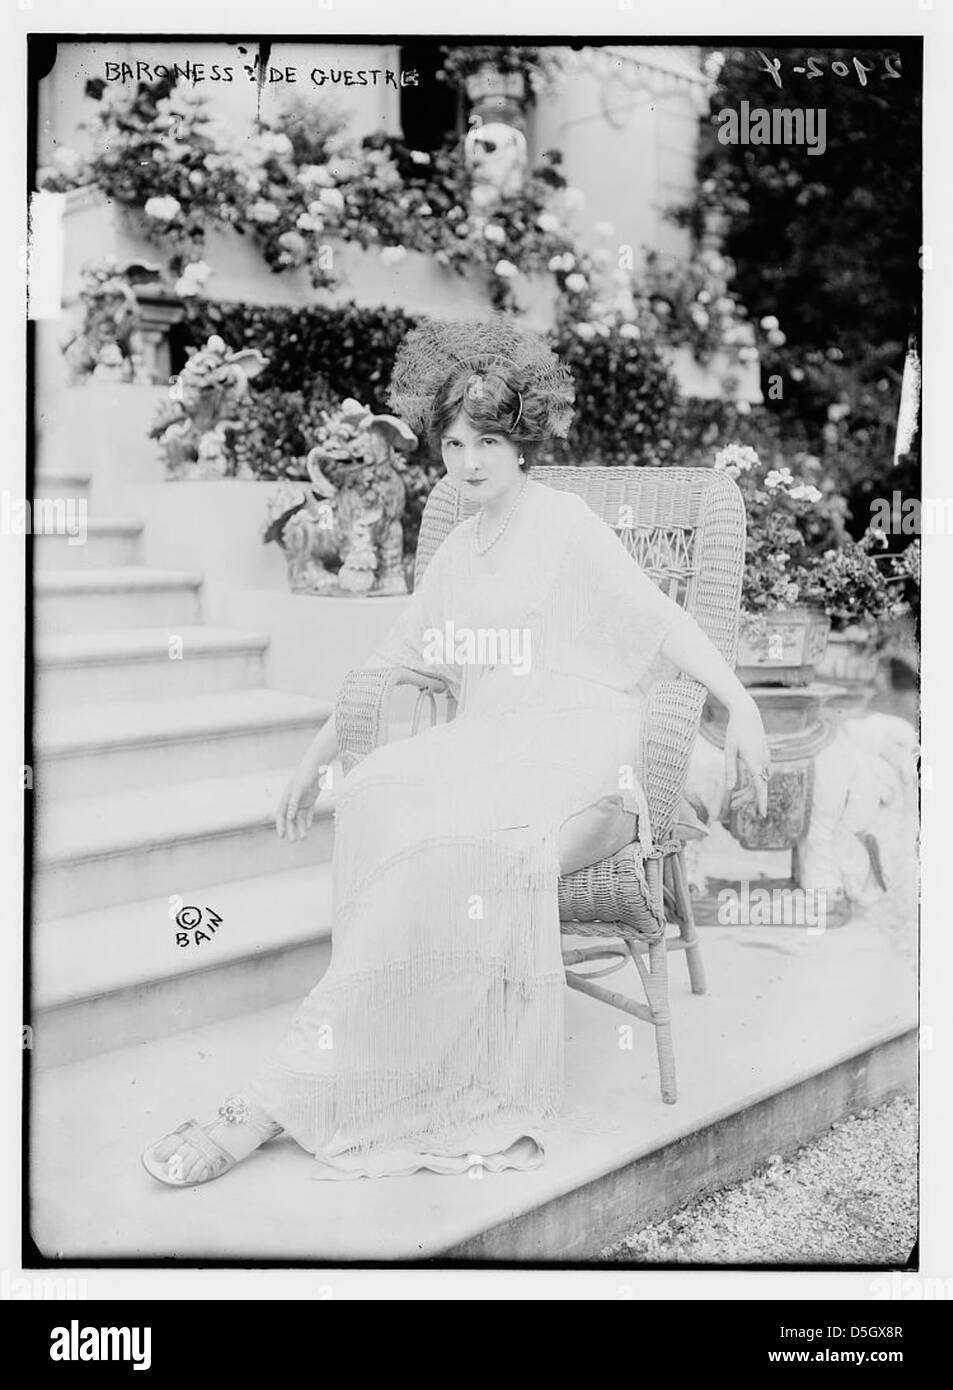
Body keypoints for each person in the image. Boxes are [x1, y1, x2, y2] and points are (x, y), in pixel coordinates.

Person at [141, 317, 770, 1186]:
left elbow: (659, 620)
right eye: (453, 443)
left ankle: (268, 1103)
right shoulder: (457, 555)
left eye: (489, 442)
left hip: (583, 747)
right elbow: (391, 658)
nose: (469, 462)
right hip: (494, 743)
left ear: (523, 444)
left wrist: (737, 701)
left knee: (461, 848)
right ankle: (361, 1057)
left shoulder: (565, 522)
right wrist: (311, 761)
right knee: (382, 795)